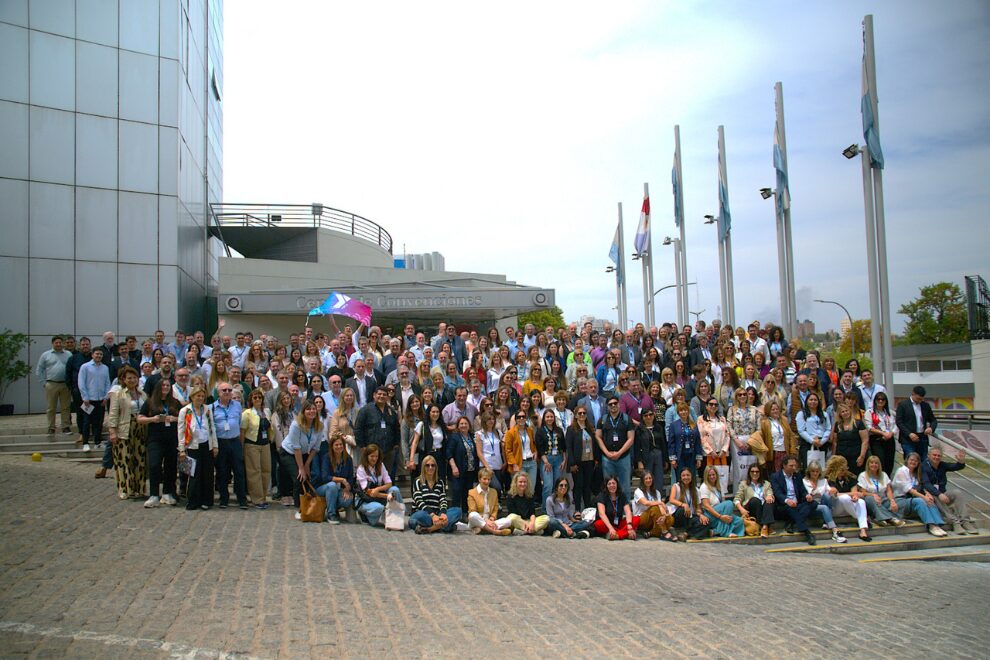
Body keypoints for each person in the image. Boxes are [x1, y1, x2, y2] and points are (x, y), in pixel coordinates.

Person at [136, 379, 180, 507]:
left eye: (168, 385)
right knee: (154, 465)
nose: (165, 387)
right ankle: (154, 494)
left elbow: (184, 417)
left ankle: (167, 493)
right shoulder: (150, 402)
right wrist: (152, 419)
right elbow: (140, 418)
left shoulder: (175, 402)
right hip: (155, 439)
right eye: (163, 385)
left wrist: (174, 418)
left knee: (170, 467)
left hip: (172, 439)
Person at [106, 366, 148, 499]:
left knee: (140, 459)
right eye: (129, 378)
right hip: (124, 429)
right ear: (123, 380)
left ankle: (139, 488)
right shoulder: (119, 394)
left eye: (134, 377)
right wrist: (112, 431)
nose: (132, 380)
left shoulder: (142, 394)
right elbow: (113, 414)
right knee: (125, 459)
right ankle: (124, 488)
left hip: (140, 429)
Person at [178, 387, 219, 510]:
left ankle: (206, 500)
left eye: (202, 396)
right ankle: (193, 501)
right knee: (194, 474)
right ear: (192, 396)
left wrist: (215, 445)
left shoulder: (207, 409)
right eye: (198, 396)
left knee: (207, 474)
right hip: (192, 445)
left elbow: (212, 428)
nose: (200, 398)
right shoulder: (185, 411)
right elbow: (180, 431)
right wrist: (181, 449)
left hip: (206, 445)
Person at [279, 400, 323, 510]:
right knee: (299, 477)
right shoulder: (296, 425)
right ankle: (299, 507)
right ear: (303, 411)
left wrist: (307, 464)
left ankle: (307, 503)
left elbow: (315, 448)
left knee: (308, 476)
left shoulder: (319, 426)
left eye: (313, 409)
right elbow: (296, 448)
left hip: (305, 453)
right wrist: (301, 468)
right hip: (289, 452)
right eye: (308, 409)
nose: (311, 411)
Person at [890, 453, 947, 537]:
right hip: (900, 500)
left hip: (912, 500)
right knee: (921, 500)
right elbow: (910, 490)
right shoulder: (902, 471)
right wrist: (924, 497)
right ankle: (931, 525)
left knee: (930, 499)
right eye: (911, 460)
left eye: (916, 461)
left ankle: (938, 524)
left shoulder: (916, 473)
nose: (913, 462)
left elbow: (921, 486)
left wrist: (927, 494)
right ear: (907, 460)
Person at [923, 446, 977, 534]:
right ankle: (954, 522)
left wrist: (961, 461)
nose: (936, 457)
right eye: (934, 455)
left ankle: (965, 521)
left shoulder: (942, 465)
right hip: (930, 497)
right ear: (928, 455)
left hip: (943, 495)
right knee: (934, 495)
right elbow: (926, 484)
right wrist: (939, 494)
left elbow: (956, 466)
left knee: (957, 493)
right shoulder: (923, 466)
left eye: (939, 456)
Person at [354, 387, 401, 482]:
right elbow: (358, 429)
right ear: (374, 395)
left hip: (388, 451)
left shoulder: (391, 411)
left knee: (387, 477)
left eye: (384, 394)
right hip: (371, 452)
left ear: (387, 396)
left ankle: (387, 495)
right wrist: (362, 446)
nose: (381, 396)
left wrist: (396, 444)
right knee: (371, 477)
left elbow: (396, 428)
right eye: (379, 394)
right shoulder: (365, 410)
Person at [212, 381, 246, 509]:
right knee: (222, 472)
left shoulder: (237, 405)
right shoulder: (212, 407)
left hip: (234, 441)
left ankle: (241, 499)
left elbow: (239, 422)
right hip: (221, 442)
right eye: (224, 390)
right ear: (218, 393)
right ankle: (223, 499)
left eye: (229, 390)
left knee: (239, 471)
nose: (227, 392)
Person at [79, 347, 112, 476]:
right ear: (92, 355)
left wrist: (106, 397)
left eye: (100, 354)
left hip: (101, 399)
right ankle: (86, 442)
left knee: (99, 421)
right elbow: (81, 383)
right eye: (96, 354)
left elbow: (107, 383)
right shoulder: (85, 367)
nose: (98, 356)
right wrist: (85, 397)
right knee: (87, 421)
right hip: (89, 399)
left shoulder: (105, 368)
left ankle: (97, 442)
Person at [409, 455, 462, 533]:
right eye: (427, 465)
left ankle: (431, 528)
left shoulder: (440, 482)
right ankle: (443, 527)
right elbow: (419, 502)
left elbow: (443, 500)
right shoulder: (417, 481)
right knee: (418, 517)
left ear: (436, 467)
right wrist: (432, 515)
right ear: (423, 467)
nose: (430, 467)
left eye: (432, 465)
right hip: (424, 513)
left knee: (458, 511)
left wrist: (443, 513)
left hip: (438, 514)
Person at [770, 456, 817, 545]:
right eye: (791, 466)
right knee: (790, 507)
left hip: (796, 504)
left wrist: (807, 495)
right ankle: (807, 532)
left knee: (813, 504)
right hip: (783, 506)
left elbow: (802, 490)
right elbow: (777, 493)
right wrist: (787, 500)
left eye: (795, 466)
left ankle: (791, 522)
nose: (794, 468)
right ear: (784, 465)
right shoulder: (776, 476)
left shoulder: (797, 476)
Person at [355, 443, 403, 526]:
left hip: (377, 496)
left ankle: (397, 520)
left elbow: (389, 483)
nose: (374, 459)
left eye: (376, 456)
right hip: (365, 499)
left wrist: (378, 489)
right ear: (366, 456)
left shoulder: (381, 465)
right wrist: (387, 496)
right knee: (378, 508)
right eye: (372, 456)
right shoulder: (361, 469)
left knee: (395, 490)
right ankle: (364, 513)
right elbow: (368, 492)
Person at [596, 396, 635, 499]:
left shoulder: (627, 419)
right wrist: (607, 452)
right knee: (609, 485)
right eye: (610, 404)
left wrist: (619, 453)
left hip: (623, 457)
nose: (613, 405)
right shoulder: (602, 420)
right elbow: (598, 437)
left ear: (619, 404)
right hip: (607, 458)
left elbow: (631, 439)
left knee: (625, 486)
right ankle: (610, 509)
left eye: (615, 403)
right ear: (607, 407)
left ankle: (626, 510)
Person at [852, 453, 904, 528]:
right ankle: (891, 518)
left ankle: (879, 518)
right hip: (869, 500)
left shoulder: (884, 475)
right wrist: (873, 495)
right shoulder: (863, 475)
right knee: (872, 500)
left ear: (879, 465)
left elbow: (888, 490)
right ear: (868, 464)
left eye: (876, 463)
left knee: (897, 502)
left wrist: (892, 501)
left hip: (883, 499)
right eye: (872, 463)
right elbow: (862, 492)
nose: (874, 465)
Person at [240, 388, 272, 509]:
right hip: (252, 444)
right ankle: (257, 499)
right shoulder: (247, 413)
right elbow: (242, 432)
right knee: (254, 471)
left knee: (266, 470)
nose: (258, 399)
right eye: (255, 398)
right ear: (251, 400)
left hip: (265, 444)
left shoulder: (267, 411)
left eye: (259, 397)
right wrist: (242, 448)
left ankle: (263, 496)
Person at [314, 432, 355, 523]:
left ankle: (334, 508)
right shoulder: (327, 458)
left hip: (340, 488)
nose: (339, 447)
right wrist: (341, 480)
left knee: (347, 500)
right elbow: (325, 477)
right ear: (332, 446)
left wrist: (347, 489)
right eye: (336, 445)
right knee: (332, 485)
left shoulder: (348, 459)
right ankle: (331, 515)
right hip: (324, 488)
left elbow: (350, 478)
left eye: (341, 444)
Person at [804, 460, 848, 543]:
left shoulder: (823, 481)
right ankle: (835, 530)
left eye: (817, 471)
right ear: (809, 472)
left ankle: (826, 522)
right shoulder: (804, 481)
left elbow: (831, 494)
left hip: (822, 504)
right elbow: (805, 495)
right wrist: (813, 491)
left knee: (827, 495)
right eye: (813, 471)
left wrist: (834, 491)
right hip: (811, 505)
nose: (815, 473)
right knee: (824, 507)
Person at [565, 405, 598, 511]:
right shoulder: (571, 429)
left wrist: (596, 459)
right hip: (577, 463)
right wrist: (572, 464)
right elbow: (569, 447)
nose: (582, 415)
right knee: (578, 486)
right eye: (580, 413)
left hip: (589, 461)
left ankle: (588, 509)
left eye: (584, 413)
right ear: (575, 415)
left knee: (587, 486)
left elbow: (595, 444)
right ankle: (578, 509)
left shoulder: (590, 428)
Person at [36, 335, 72, 435]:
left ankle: (65, 426)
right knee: (51, 407)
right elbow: (39, 369)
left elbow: (71, 368)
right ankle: (51, 427)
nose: (58, 344)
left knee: (66, 407)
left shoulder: (68, 354)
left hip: (65, 384)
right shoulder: (46, 355)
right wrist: (43, 383)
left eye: (60, 342)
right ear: (53, 344)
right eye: (56, 343)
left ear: (63, 343)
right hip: (51, 384)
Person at [698, 466, 745, 537]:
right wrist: (720, 517)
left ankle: (716, 531)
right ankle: (725, 532)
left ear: (716, 475)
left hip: (721, 513)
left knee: (739, 521)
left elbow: (723, 503)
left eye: (713, 474)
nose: (712, 477)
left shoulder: (719, 485)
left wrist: (726, 515)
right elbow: (706, 506)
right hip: (710, 515)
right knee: (729, 503)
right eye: (709, 475)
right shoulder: (704, 487)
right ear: (706, 476)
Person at [445, 416, 477, 516]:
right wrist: (454, 467)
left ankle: (464, 514)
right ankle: (454, 515)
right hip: (458, 470)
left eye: (465, 423)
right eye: (461, 424)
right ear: (458, 426)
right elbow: (449, 453)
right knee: (457, 492)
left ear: (469, 425)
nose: (463, 426)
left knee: (467, 493)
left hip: (470, 470)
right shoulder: (454, 437)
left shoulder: (472, 436)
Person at [631, 471, 677, 541]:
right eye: (646, 479)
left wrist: (664, 516)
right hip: (642, 519)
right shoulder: (638, 491)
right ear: (642, 480)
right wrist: (660, 503)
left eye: (650, 478)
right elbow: (646, 503)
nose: (648, 480)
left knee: (670, 519)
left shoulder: (657, 492)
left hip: (654, 520)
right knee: (654, 508)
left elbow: (660, 507)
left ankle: (651, 533)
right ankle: (664, 532)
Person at [895, 385, 937, 460]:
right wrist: (909, 434)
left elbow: (933, 420)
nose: (919, 401)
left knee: (923, 462)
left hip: (922, 439)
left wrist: (931, 428)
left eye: (921, 399)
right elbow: (899, 422)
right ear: (913, 394)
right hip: (908, 439)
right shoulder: (903, 404)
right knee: (911, 460)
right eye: (918, 399)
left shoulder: (925, 405)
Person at [466, 468, 512, 535]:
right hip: (478, 520)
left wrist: (492, 518)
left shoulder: (494, 492)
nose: (487, 481)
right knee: (472, 515)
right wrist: (485, 521)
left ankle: (483, 529)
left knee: (508, 521)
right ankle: (494, 531)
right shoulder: (472, 492)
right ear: (479, 479)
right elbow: (472, 510)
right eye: (484, 479)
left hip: (490, 521)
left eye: (489, 479)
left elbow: (496, 508)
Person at [734, 464, 776, 538]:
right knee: (755, 500)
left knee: (769, 502)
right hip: (751, 507)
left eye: (757, 472)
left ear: (760, 473)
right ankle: (766, 526)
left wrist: (769, 496)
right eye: (752, 471)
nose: (755, 473)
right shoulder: (744, 484)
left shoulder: (766, 484)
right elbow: (737, 499)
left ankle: (764, 526)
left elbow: (770, 493)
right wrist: (741, 509)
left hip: (764, 509)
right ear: (749, 473)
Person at [535, 409, 567, 504]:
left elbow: (563, 446)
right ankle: (546, 509)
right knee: (548, 485)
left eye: (551, 417)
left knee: (557, 485)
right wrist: (545, 461)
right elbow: (539, 448)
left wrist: (564, 460)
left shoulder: (559, 430)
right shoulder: (540, 431)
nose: (549, 419)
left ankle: (555, 506)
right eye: (547, 417)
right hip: (546, 459)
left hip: (558, 459)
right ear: (544, 418)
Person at [668, 467, 708, 541]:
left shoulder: (696, 490)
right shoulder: (676, 486)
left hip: (690, 516)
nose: (686, 477)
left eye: (688, 475)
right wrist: (683, 504)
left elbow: (698, 508)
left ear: (691, 476)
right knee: (682, 510)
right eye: (683, 475)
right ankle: (692, 531)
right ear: (680, 477)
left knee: (705, 522)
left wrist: (701, 515)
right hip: (678, 516)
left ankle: (686, 534)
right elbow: (671, 500)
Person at [667, 402, 701, 487]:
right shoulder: (674, 425)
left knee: (691, 476)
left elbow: (697, 441)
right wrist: (673, 458)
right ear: (678, 412)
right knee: (681, 476)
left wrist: (699, 458)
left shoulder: (693, 424)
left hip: (691, 455)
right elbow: (671, 443)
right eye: (681, 410)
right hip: (680, 455)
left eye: (685, 410)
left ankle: (692, 496)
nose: (683, 412)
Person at [505, 470, 549, 535]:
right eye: (520, 482)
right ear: (515, 483)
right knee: (512, 517)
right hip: (518, 521)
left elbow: (532, 513)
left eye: (524, 482)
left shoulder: (530, 495)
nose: (523, 484)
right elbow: (512, 513)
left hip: (528, 520)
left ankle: (525, 531)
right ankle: (533, 530)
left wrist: (532, 523)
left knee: (546, 518)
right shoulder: (510, 496)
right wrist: (526, 523)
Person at [593, 475, 638, 540]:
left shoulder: (621, 495)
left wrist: (629, 526)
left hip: (618, 524)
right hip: (606, 524)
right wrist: (610, 528)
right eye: (609, 484)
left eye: (614, 483)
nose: (612, 485)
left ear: (617, 484)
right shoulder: (602, 495)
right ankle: (625, 534)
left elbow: (628, 512)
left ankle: (617, 535)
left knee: (636, 519)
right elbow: (602, 514)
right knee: (598, 524)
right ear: (606, 486)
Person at [635, 408, 668, 494]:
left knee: (659, 478)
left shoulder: (659, 428)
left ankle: (658, 497)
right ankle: (646, 497)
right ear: (642, 417)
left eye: (650, 415)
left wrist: (665, 460)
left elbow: (663, 444)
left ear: (654, 415)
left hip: (658, 455)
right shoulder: (639, 430)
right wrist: (639, 461)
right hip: (646, 456)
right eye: (646, 415)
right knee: (647, 478)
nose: (648, 417)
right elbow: (637, 447)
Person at [864, 391, 897, 477]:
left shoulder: (890, 412)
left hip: (889, 439)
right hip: (877, 439)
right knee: (880, 461)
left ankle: (887, 481)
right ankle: (879, 479)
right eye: (878, 399)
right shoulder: (870, 412)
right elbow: (869, 427)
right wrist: (882, 433)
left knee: (889, 462)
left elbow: (895, 425)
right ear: (875, 400)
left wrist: (891, 433)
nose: (881, 401)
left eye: (883, 400)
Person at [830, 403, 869, 473]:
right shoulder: (837, 425)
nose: (845, 413)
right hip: (841, 457)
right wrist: (834, 456)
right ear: (840, 414)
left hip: (856, 456)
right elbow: (835, 442)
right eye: (843, 412)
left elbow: (865, 441)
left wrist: (862, 456)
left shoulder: (858, 423)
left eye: (846, 411)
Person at [474, 412, 506, 493]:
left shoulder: (498, 432)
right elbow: (479, 453)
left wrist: (505, 461)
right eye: (489, 419)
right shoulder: (479, 434)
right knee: (496, 487)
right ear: (484, 421)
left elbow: (502, 449)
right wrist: (487, 467)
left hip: (498, 464)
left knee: (497, 489)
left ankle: (495, 504)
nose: (491, 421)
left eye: (493, 419)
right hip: (486, 465)